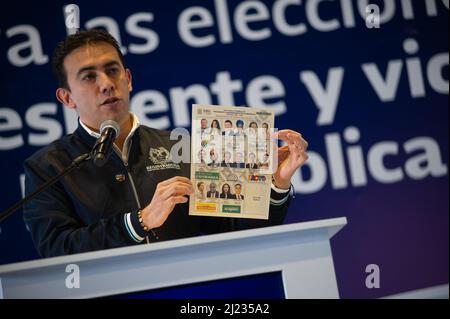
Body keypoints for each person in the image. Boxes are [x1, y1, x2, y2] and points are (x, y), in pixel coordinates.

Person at [22, 29, 309, 258]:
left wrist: (275, 184)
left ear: (129, 79)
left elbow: (236, 231)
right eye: (89, 77)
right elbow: (57, 250)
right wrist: (139, 222)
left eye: (113, 70)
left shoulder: (178, 145)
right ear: (67, 98)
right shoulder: (49, 167)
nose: (106, 83)